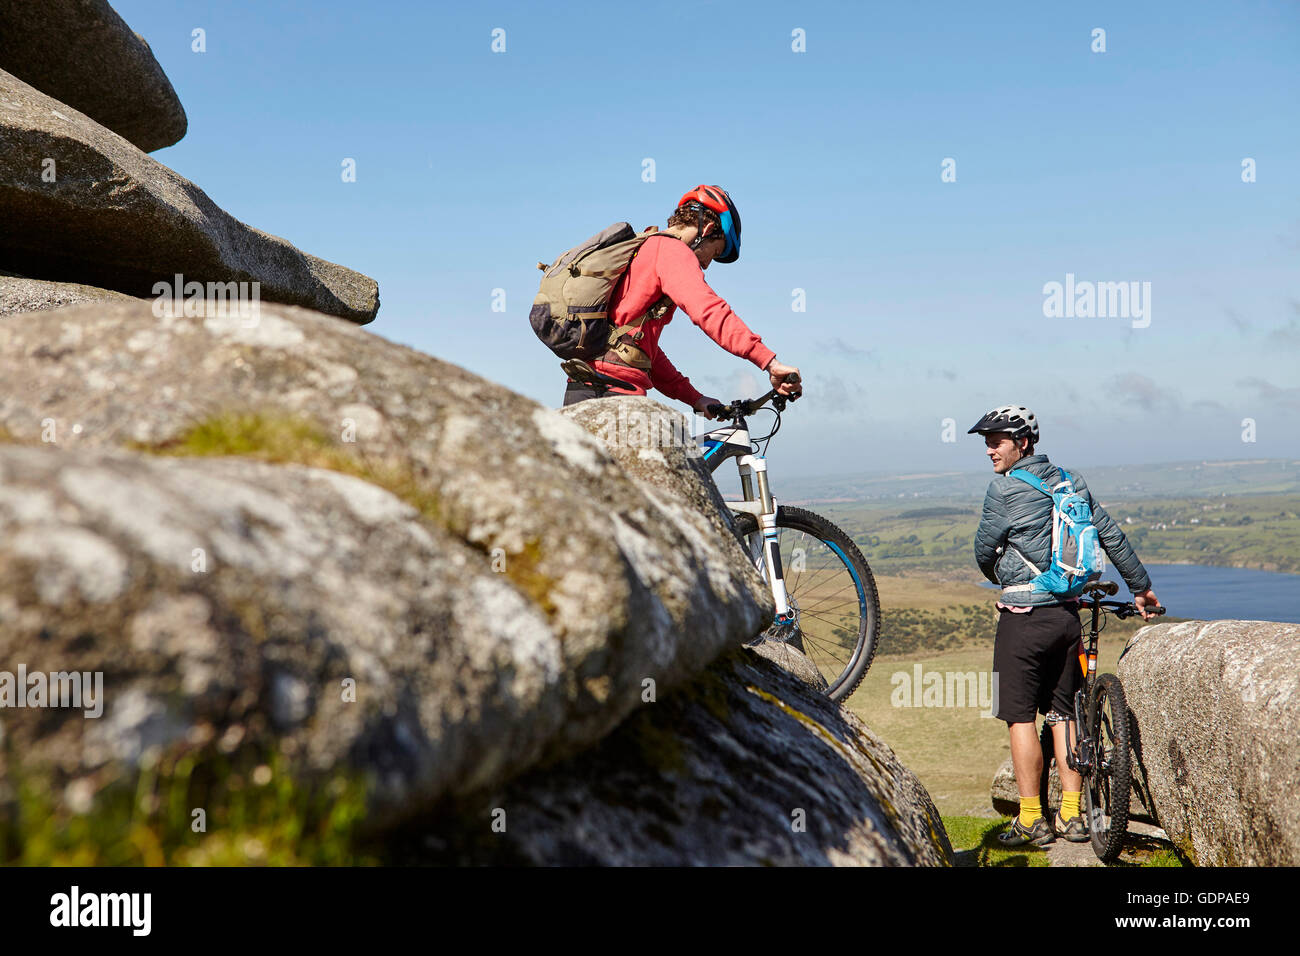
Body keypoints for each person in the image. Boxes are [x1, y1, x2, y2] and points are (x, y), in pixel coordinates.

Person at [967, 405, 1160, 847]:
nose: (989, 449)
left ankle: (1033, 819)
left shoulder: (1003, 490)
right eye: (987, 441)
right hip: (1067, 619)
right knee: (1063, 713)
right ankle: (1074, 817)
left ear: (1024, 442)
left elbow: (982, 550)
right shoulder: (1072, 482)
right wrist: (1141, 586)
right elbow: (1110, 535)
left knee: (1018, 718)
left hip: (1023, 619)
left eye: (997, 440)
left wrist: (1005, 573)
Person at [561, 185, 802, 417]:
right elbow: (709, 311)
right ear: (707, 230)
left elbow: (642, 352)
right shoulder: (672, 251)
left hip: (582, 389)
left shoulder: (646, 249)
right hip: (615, 396)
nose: (707, 264)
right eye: (715, 252)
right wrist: (769, 362)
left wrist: (694, 398)